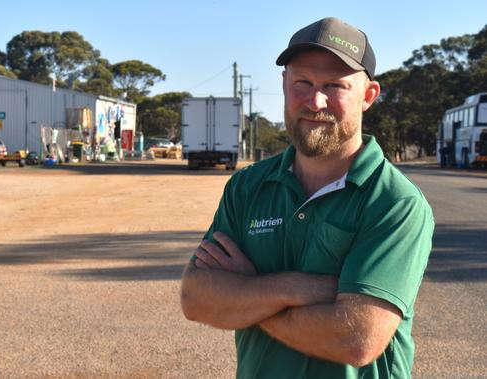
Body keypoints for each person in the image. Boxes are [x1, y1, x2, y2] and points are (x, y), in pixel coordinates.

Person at [180, 17, 434, 378]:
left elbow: (356, 338)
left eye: (334, 85)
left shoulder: (394, 203)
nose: (315, 101)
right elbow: (196, 299)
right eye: (303, 82)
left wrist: (249, 293)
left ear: (368, 96)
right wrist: (299, 288)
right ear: (284, 84)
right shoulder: (248, 187)